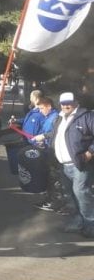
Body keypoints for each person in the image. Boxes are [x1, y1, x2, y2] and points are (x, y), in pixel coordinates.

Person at [44, 92, 94, 237]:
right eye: (63, 103)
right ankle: (78, 221)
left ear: (76, 102)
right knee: (70, 194)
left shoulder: (86, 116)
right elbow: (57, 135)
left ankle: (90, 224)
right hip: (63, 164)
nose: (66, 105)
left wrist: (90, 152)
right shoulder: (60, 118)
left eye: (69, 102)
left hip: (80, 164)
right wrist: (45, 137)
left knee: (82, 193)